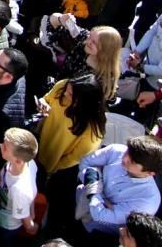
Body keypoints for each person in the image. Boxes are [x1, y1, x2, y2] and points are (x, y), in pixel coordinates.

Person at [36, 75, 109, 235]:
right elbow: (46, 99)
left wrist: (52, 169)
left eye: (71, 95)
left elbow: (74, 158)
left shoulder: (92, 130)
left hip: (54, 170)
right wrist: (42, 104)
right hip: (38, 147)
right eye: (67, 91)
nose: (66, 95)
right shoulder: (63, 86)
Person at [72, 136, 162, 239]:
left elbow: (100, 215)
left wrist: (94, 183)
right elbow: (85, 163)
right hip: (77, 200)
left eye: (133, 161)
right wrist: (106, 201)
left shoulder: (148, 201)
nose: (124, 158)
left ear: (150, 173)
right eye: (128, 152)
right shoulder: (117, 150)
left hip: (96, 231)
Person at [0, 128, 40, 243]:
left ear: (18, 161)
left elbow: (25, 218)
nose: (0, 146)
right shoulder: (27, 162)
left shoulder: (19, 190)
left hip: (6, 224)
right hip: (1, 208)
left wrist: (31, 227)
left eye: (5, 147)